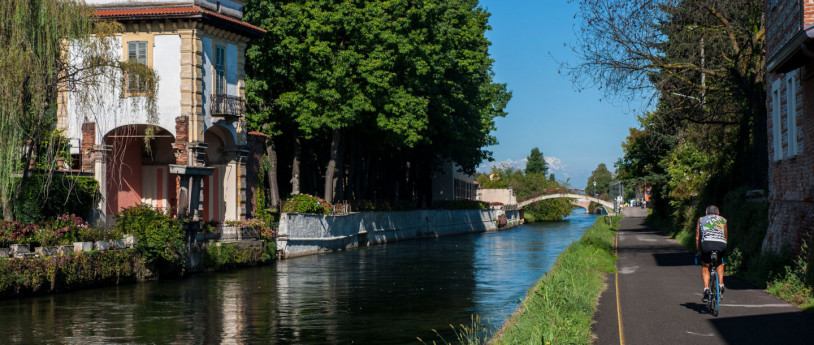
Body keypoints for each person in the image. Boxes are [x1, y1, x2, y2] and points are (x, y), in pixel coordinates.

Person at [696, 205, 728, 303]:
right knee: (719, 262)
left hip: (707, 244)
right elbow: (725, 236)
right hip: (721, 244)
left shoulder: (701, 219)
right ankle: (721, 284)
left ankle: (706, 288)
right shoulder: (723, 220)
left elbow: (698, 237)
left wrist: (699, 251)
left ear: (706, 213)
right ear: (718, 213)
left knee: (706, 266)